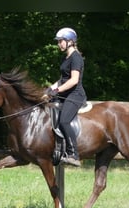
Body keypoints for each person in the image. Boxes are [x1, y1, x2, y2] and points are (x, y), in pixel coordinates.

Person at [44, 27, 87, 167]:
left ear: (70, 41)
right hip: (65, 94)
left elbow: (74, 80)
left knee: (64, 121)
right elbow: (63, 79)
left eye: (60, 41)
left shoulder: (76, 58)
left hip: (75, 95)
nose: (59, 44)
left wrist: (57, 90)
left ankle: (73, 154)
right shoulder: (66, 58)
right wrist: (49, 89)